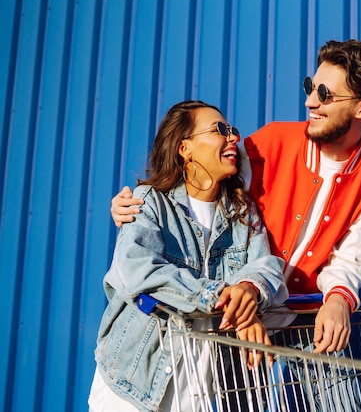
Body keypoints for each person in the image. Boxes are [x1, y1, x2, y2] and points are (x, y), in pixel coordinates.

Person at [111, 39, 361, 355]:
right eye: (310, 87)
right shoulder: (270, 144)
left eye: (324, 94)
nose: (309, 103)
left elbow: (350, 260)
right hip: (235, 315)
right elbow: (203, 190)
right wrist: (138, 203)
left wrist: (340, 299)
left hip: (305, 317)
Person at [89, 100, 288, 411]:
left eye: (232, 130)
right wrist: (219, 295)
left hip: (200, 386)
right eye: (220, 130)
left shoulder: (241, 212)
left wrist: (248, 292)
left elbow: (265, 265)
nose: (233, 137)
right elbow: (138, 272)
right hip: (134, 382)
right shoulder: (150, 203)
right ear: (185, 148)